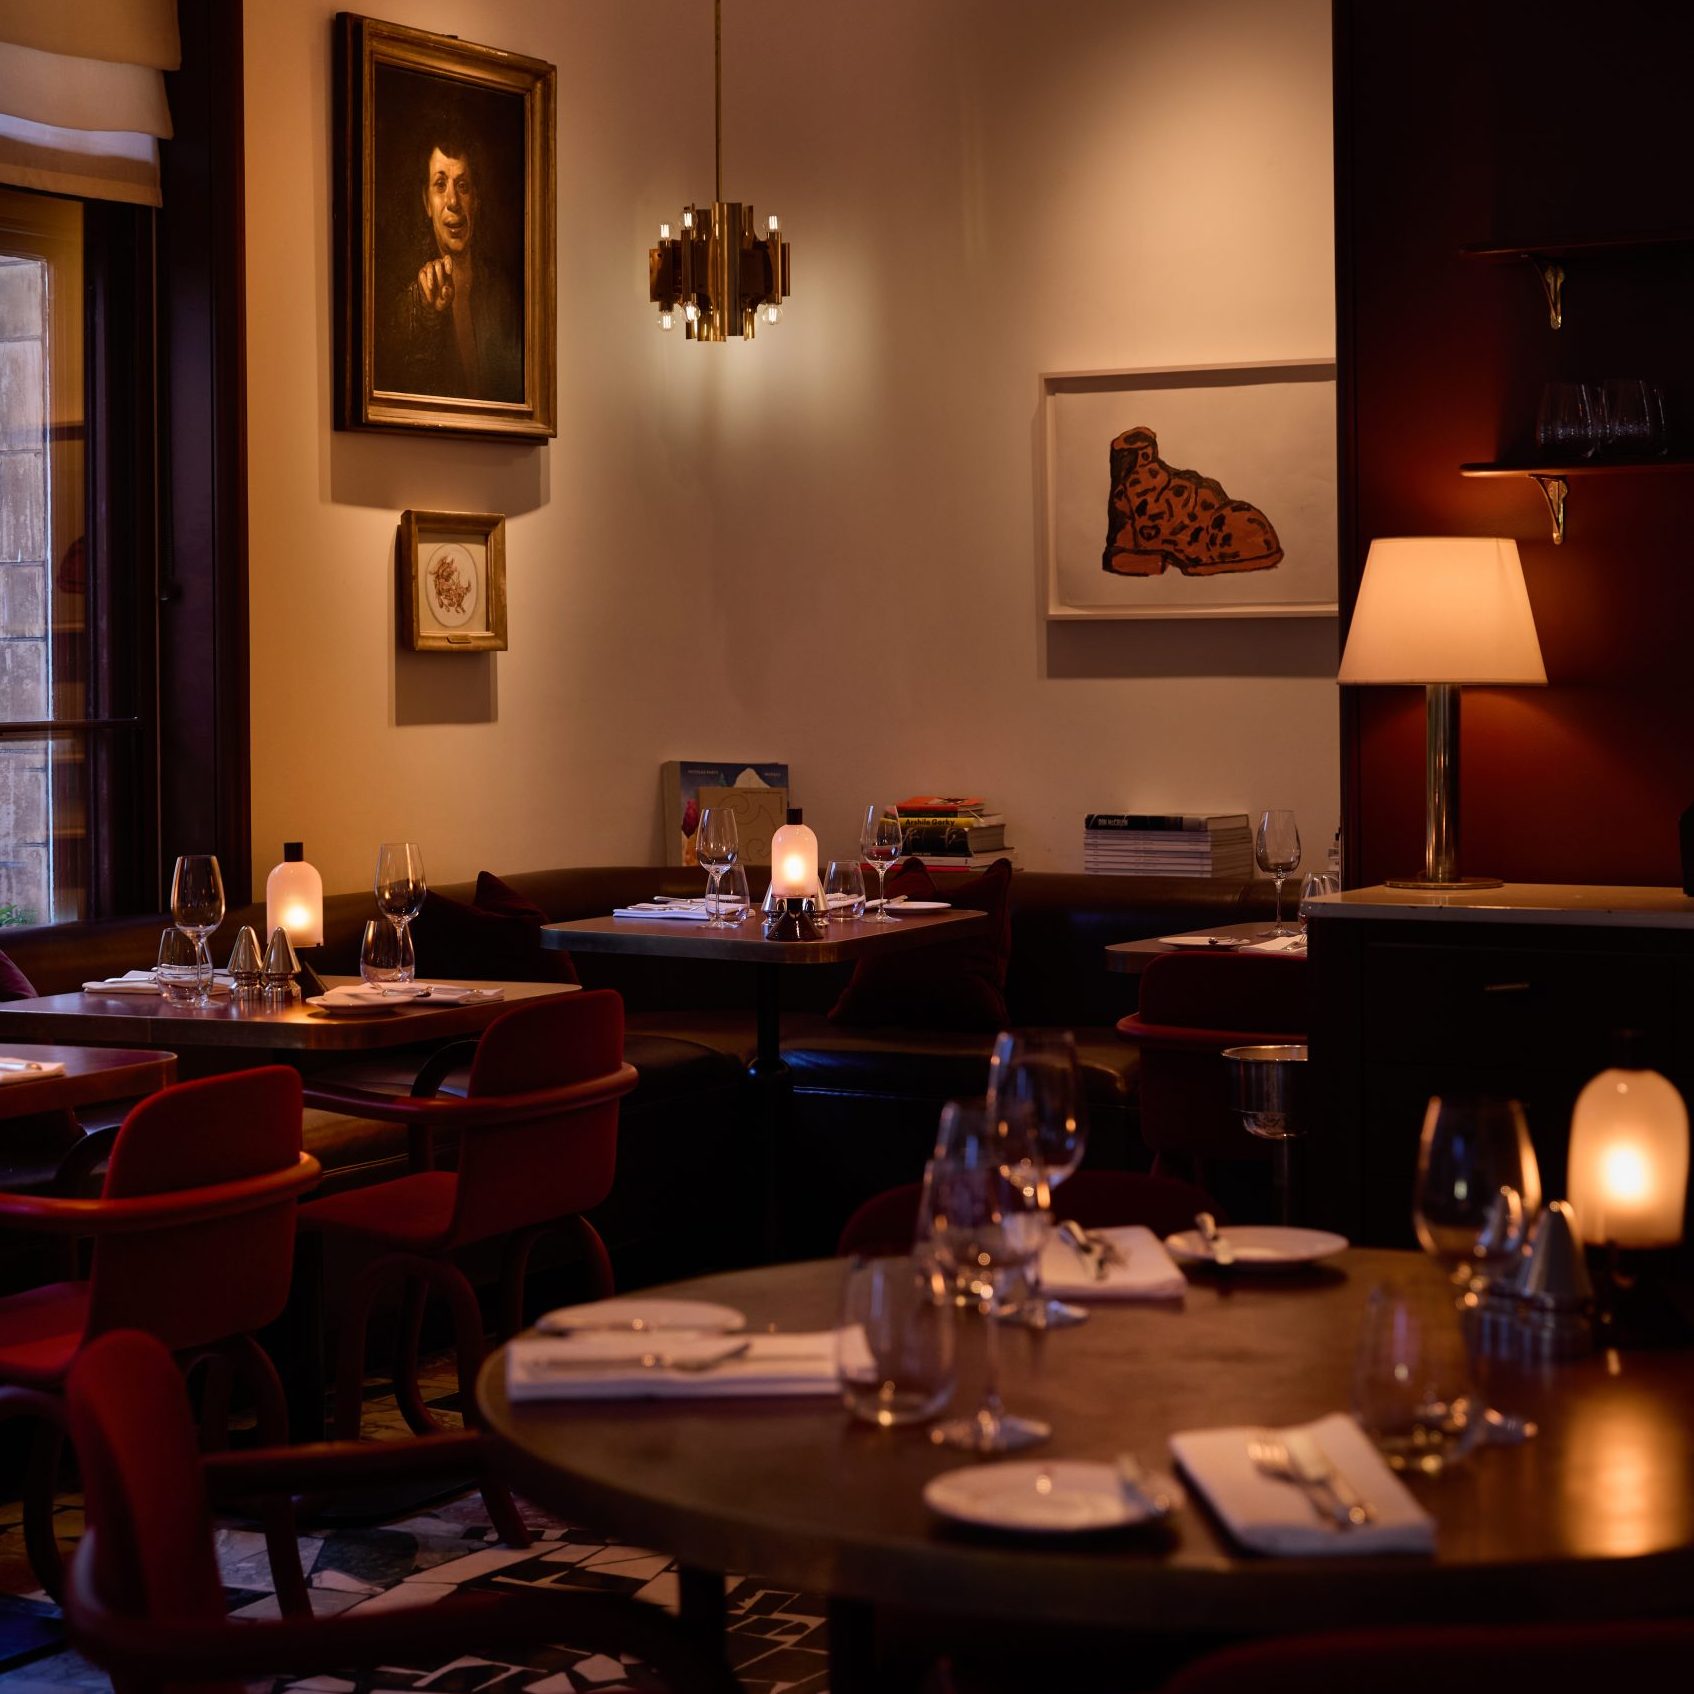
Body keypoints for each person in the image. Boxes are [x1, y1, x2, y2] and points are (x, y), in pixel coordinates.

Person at [381, 130, 523, 404]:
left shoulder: (504, 295)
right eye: (440, 185)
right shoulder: (414, 300)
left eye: (463, 186)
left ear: (476, 201)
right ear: (427, 203)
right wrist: (426, 312)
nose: (453, 202)